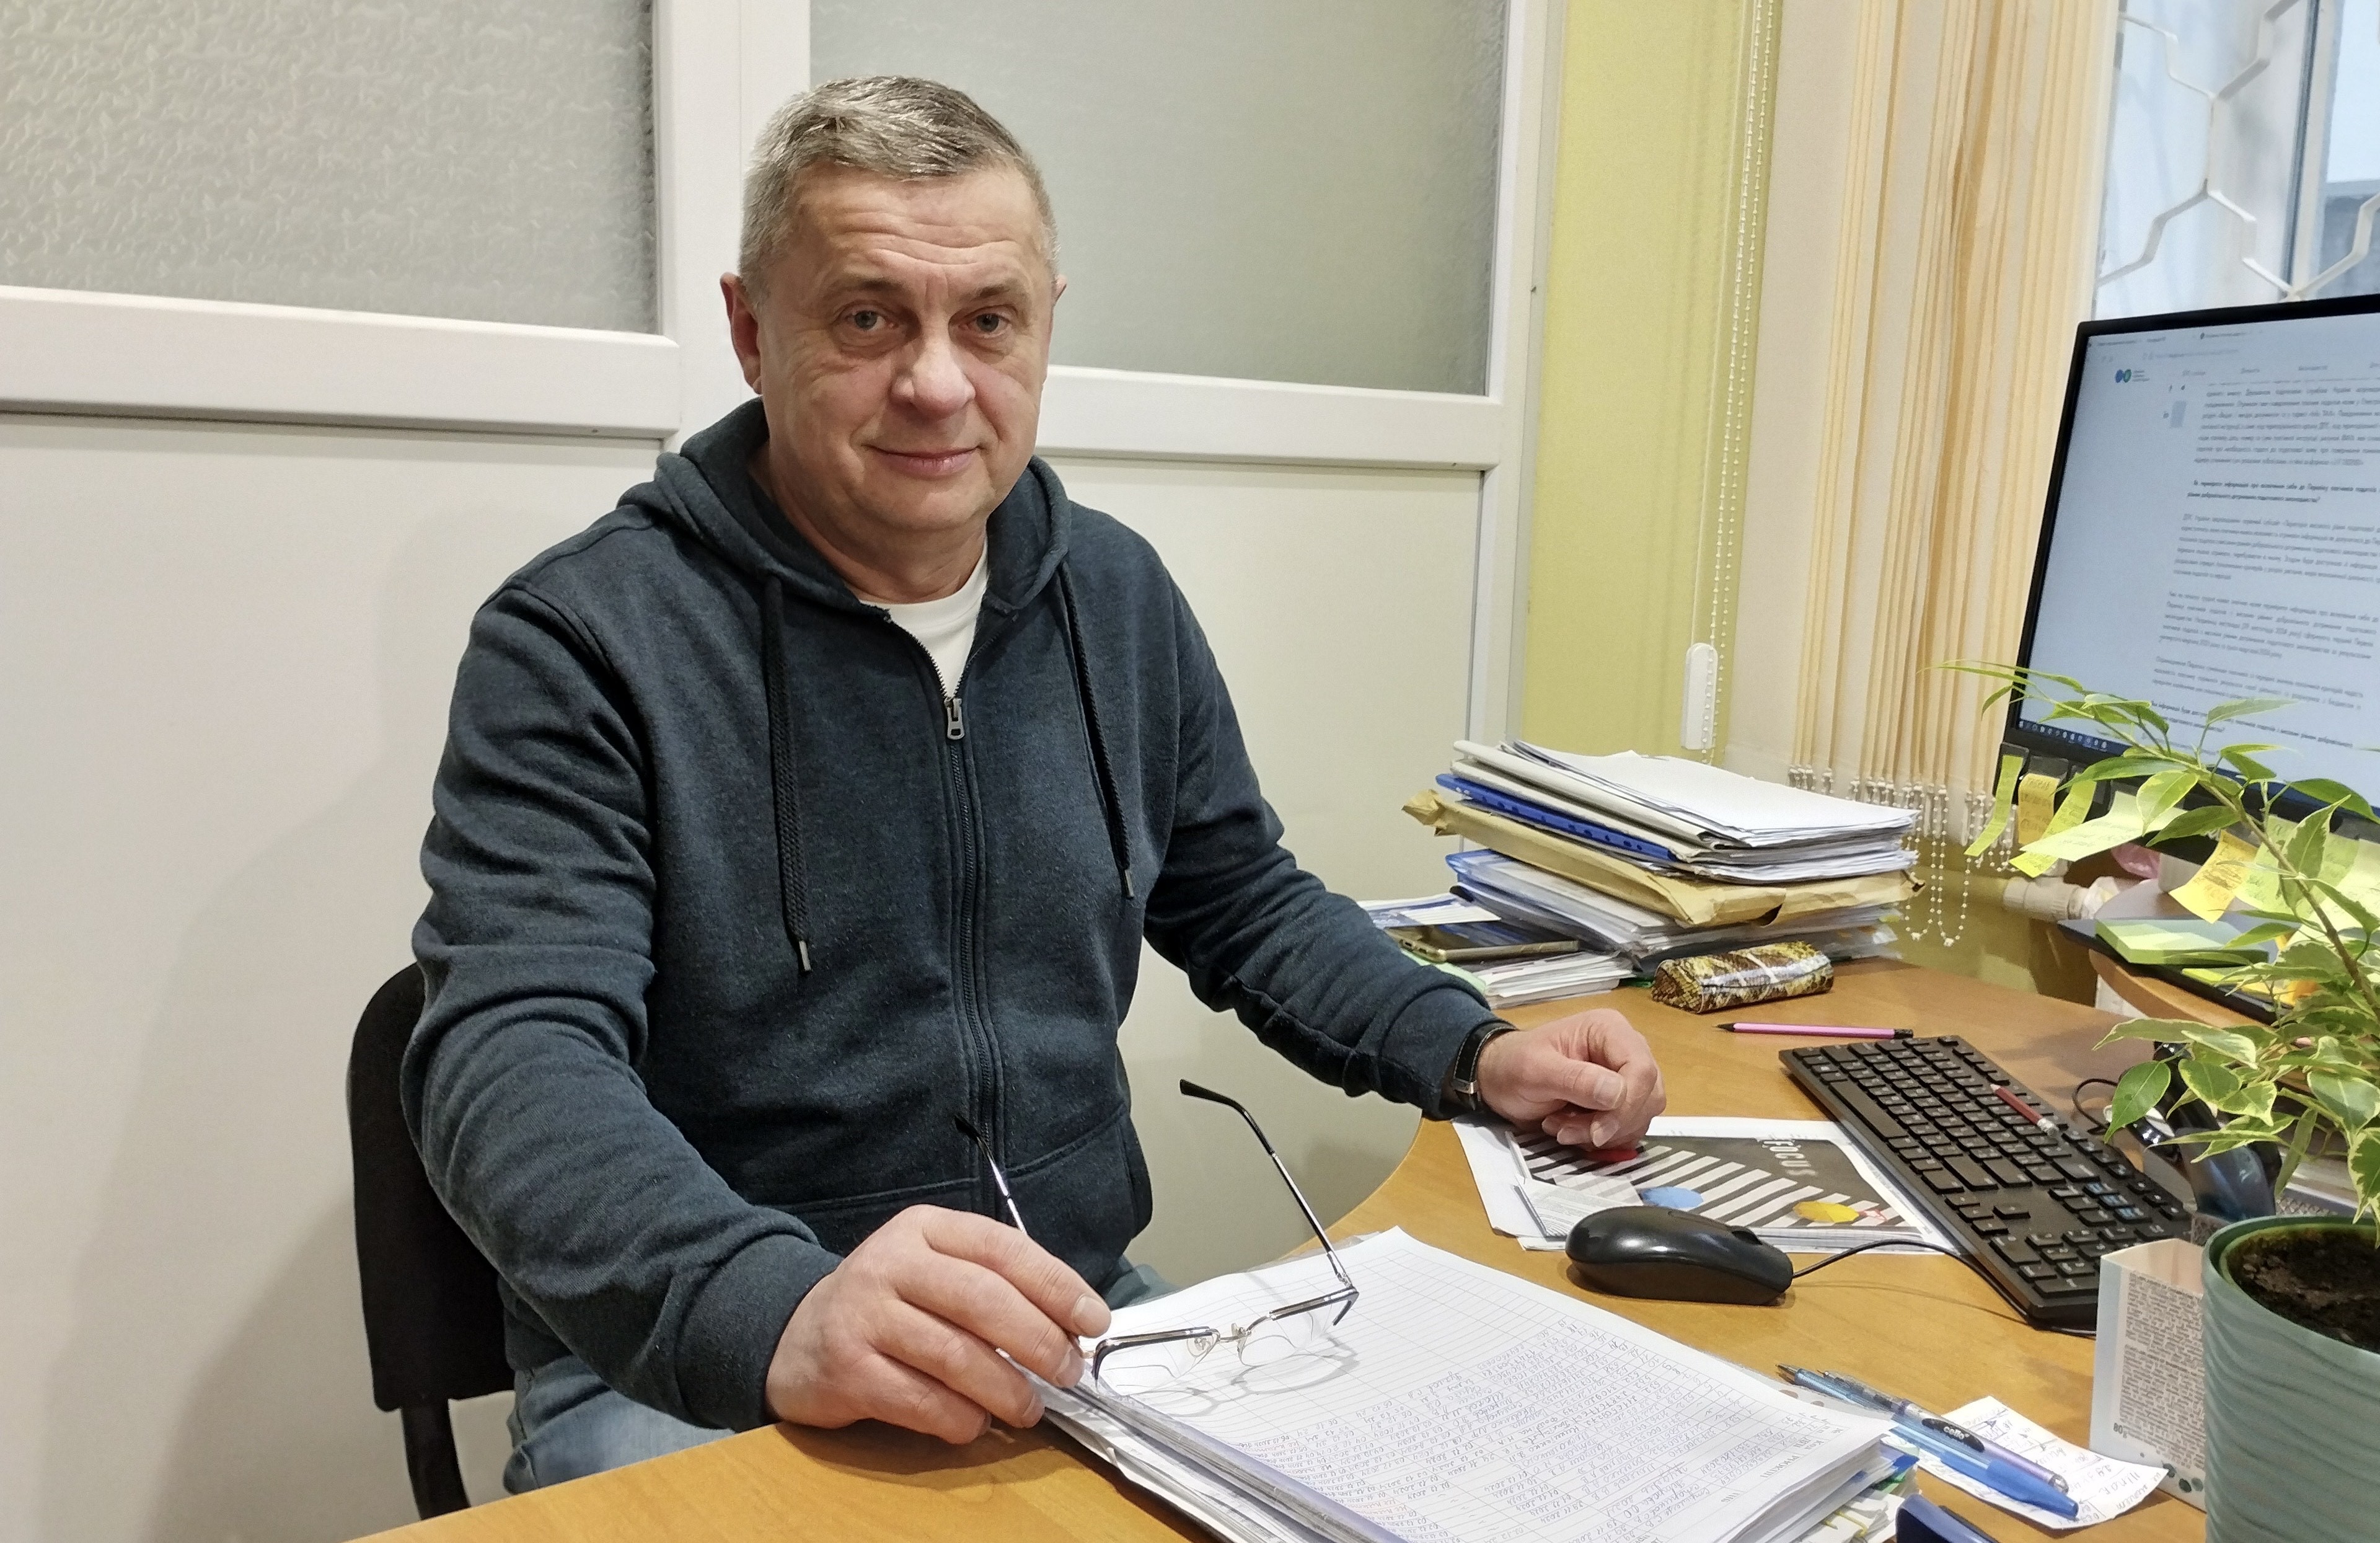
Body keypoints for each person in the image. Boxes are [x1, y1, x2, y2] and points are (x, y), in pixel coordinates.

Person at [403, 75, 1665, 1492]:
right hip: (705, 1356)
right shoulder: (584, 641)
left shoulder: (1113, 597)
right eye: (869, 318)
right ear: (753, 332)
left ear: (1047, 323)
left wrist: (1469, 1049)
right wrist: (769, 1307)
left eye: (989, 321)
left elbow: (1242, 899)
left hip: (1063, 1312)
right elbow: (509, 1056)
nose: (939, 383)